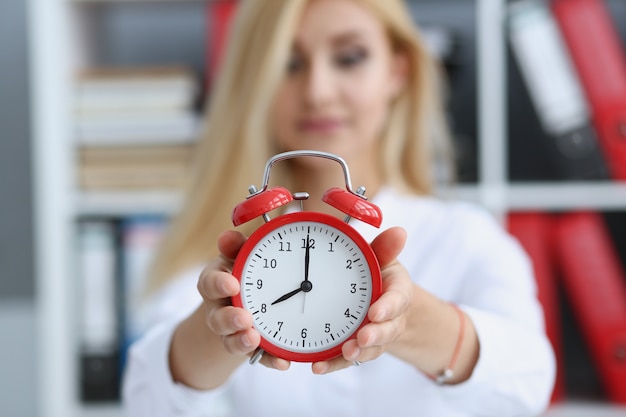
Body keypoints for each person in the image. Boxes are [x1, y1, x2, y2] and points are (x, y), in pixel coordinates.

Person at [122, 0, 555, 416]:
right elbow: (145, 402)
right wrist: (216, 329)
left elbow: (529, 385)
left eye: (349, 58)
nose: (318, 92)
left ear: (397, 70)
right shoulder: (227, 257)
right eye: (289, 64)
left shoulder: (464, 236)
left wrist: (409, 319)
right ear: (257, 82)